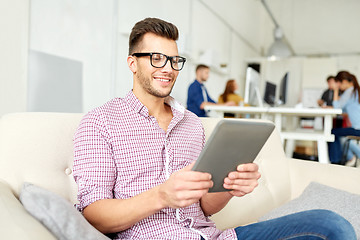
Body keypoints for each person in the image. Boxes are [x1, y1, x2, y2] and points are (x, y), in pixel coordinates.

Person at [73, 17, 355, 240]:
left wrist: (230, 187)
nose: (168, 68)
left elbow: (206, 205)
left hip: (216, 236)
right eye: (156, 58)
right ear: (132, 63)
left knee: (330, 223)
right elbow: (93, 215)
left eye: (174, 60)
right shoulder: (101, 122)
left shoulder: (192, 124)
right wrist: (160, 195)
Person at [328, 71, 360, 165]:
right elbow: (344, 109)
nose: (338, 85)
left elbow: (337, 106)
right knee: (339, 135)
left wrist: (336, 90)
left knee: (333, 132)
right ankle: (348, 158)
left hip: (357, 128)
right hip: (357, 127)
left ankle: (336, 161)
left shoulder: (349, 91)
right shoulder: (355, 91)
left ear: (344, 81)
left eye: (338, 83)